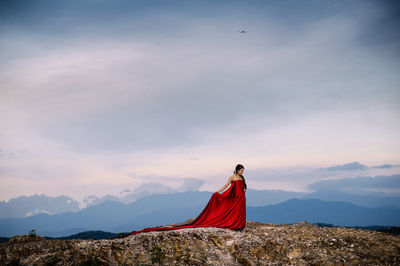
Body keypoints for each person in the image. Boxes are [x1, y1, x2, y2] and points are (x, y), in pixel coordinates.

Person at [116, 164, 247, 238]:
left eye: (243, 171)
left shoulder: (242, 177)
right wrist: (217, 192)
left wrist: (244, 190)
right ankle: (235, 225)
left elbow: (243, 186)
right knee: (233, 210)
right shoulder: (232, 177)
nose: (242, 171)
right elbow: (226, 186)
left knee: (240, 211)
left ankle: (239, 225)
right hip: (235, 197)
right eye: (241, 170)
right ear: (237, 169)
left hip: (241, 197)